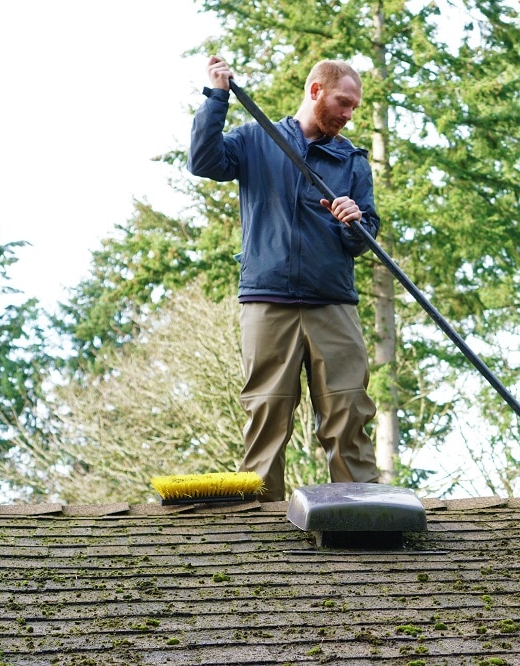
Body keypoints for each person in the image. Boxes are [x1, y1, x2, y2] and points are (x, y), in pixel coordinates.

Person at [188, 55, 380, 501]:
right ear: (315, 91)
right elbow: (204, 161)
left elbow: (364, 238)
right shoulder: (257, 140)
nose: (349, 114)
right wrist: (217, 96)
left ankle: (362, 513)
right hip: (267, 299)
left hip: (332, 302)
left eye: (354, 107)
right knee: (267, 410)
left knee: (347, 408)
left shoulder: (351, 160)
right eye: (343, 102)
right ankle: (257, 523)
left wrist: (357, 222)